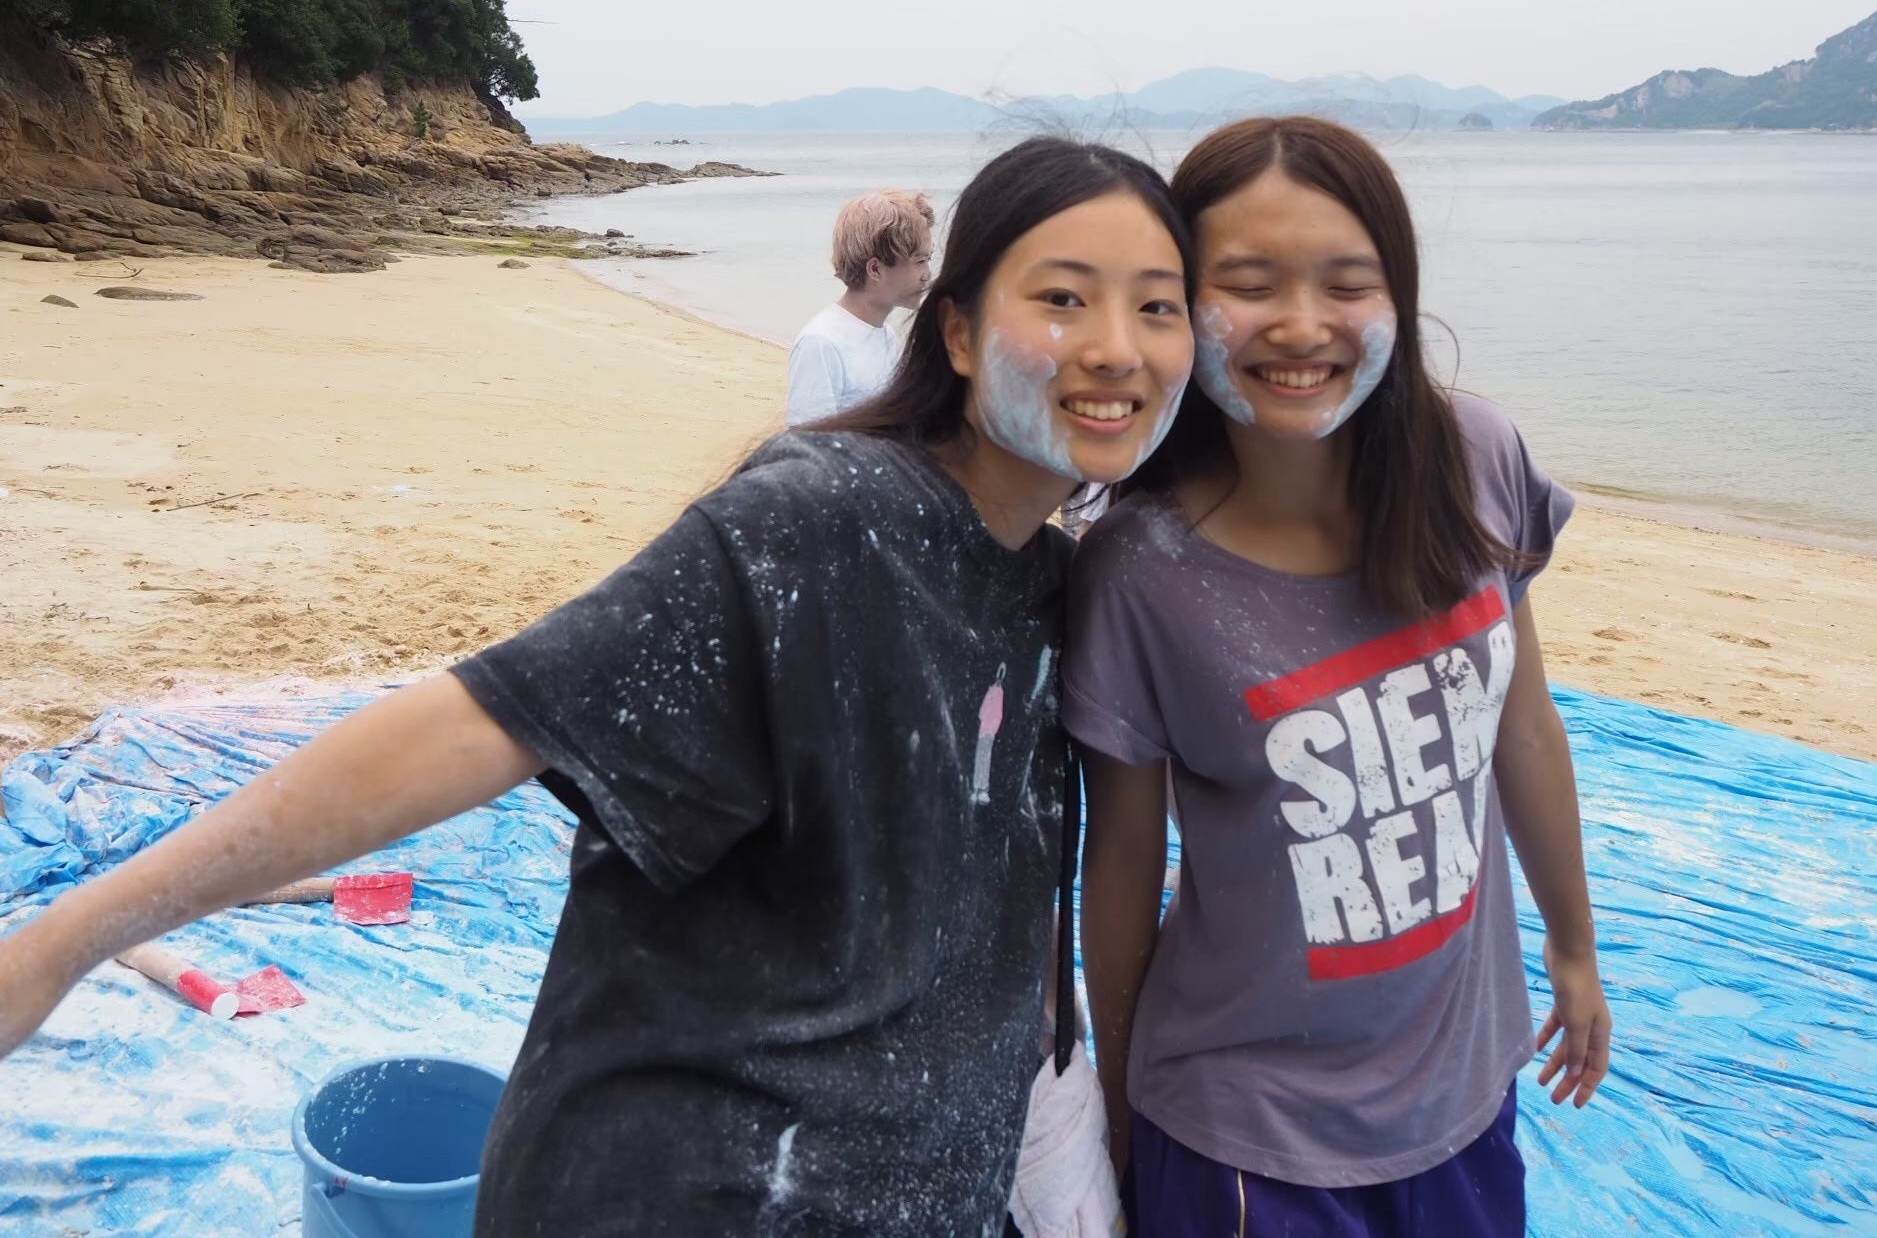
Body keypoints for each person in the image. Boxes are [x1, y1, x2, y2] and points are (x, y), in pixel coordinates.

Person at [0, 137, 1196, 1237]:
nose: (1116, 346)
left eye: (1157, 306)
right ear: (955, 333)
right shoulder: (819, 526)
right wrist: (64, 943)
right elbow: (472, 724)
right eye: (1061, 297)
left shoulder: (1063, 592)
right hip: (690, 1191)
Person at [1069, 117, 1611, 1237]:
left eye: (1346, 283)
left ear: (1397, 297)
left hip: (1465, 1094)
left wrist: (1574, 946)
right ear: (1177, 308)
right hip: (1243, 1133)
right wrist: (1116, 1108)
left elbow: (1522, 728)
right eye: (1247, 284)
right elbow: (1121, 860)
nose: (1301, 326)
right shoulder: (1139, 569)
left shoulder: (1477, 461)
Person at [787, 187, 935, 425]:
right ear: (875, 269)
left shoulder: (886, 335)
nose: (927, 274)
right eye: (920, 260)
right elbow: (807, 441)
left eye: (929, 259)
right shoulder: (821, 343)